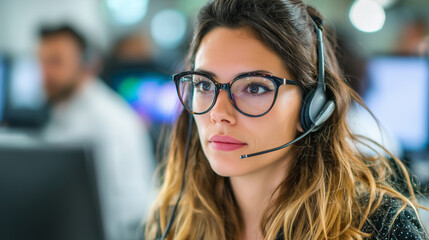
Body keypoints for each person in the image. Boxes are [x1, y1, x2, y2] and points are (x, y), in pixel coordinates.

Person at [145, 0, 429, 239]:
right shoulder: (174, 222)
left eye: (254, 88)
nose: (219, 113)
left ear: (312, 106)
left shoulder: (381, 228)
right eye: (204, 85)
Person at [37, 25, 155, 240]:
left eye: (56, 62)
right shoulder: (63, 109)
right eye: (41, 61)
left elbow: (133, 209)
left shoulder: (110, 121)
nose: (45, 73)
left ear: (86, 65)